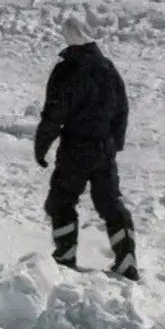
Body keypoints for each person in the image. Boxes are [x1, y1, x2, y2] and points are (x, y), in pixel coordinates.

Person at [34, 16, 138, 280]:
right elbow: (122, 109)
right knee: (110, 203)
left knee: (62, 200)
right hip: (104, 148)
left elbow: (54, 113)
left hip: (75, 148)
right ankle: (126, 259)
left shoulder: (67, 70)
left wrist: (42, 145)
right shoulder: (107, 68)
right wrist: (115, 143)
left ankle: (65, 257)